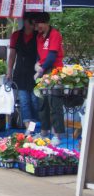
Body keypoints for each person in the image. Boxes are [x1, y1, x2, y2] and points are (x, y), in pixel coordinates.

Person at [34, 12, 65, 145]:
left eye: (39, 24)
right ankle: (44, 131)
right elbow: (39, 55)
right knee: (42, 101)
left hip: (55, 71)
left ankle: (57, 135)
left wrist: (40, 70)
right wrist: (37, 64)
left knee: (54, 102)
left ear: (46, 23)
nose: (37, 27)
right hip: (43, 70)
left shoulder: (55, 35)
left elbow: (52, 56)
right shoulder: (39, 37)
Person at [7, 13, 39, 130]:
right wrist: (9, 71)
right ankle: (29, 128)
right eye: (31, 22)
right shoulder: (16, 35)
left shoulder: (38, 36)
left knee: (35, 100)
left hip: (34, 72)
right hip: (20, 72)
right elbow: (12, 56)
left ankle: (35, 124)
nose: (32, 25)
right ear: (25, 21)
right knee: (24, 101)